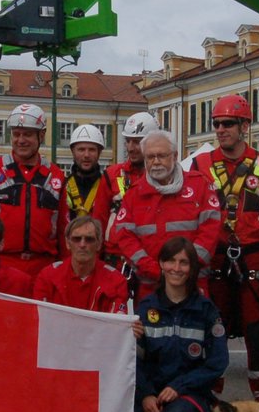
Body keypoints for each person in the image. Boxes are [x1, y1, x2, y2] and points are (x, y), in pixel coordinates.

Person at [190, 93, 259, 403]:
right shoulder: (199, 164)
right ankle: (207, 401)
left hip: (252, 254)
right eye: (216, 124)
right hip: (213, 255)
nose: (220, 130)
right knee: (214, 330)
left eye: (228, 123)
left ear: (245, 126)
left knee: (256, 332)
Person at [132, 236, 229, 412]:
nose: (177, 268)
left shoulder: (206, 310)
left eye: (183, 263)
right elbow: (132, 360)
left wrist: (179, 387)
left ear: (192, 268)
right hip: (152, 395)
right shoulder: (145, 309)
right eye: (171, 261)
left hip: (189, 393)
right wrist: (145, 394)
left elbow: (217, 362)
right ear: (161, 265)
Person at [113, 131, 221, 301]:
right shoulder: (134, 194)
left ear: (175, 156)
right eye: (150, 157)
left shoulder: (200, 185)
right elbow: (125, 237)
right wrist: (155, 270)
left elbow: (211, 230)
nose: (155, 162)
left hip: (193, 284)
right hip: (151, 286)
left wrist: (186, 268)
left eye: (162, 156)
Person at [0, 103, 66, 280]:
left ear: (41, 135)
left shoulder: (56, 176)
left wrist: (65, 269)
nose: (21, 140)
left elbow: (64, 230)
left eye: (27, 134)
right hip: (0, 267)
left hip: (44, 268)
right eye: (16, 134)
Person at [34, 215, 130, 313]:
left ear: (99, 244)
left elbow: (118, 323)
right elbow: (38, 318)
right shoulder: (47, 277)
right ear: (67, 243)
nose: (82, 244)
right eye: (76, 239)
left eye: (89, 239)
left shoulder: (116, 281)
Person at [103, 111, 157, 261]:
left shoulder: (163, 176)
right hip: (116, 257)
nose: (130, 148)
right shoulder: (112, 174)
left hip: (150, 254)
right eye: (128, 141)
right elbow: (99, 220)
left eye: (137, 142)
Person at [63, 124, 114, 225]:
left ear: (99, 152)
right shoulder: (63, 186)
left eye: (92, 150)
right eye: (81, 149)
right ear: (73, 151)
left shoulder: (108, 186)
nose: (86, 155)